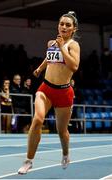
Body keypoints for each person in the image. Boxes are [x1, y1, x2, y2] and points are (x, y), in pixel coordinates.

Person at [18, 11, 80, 174]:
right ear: (58, 25)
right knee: (37, 120)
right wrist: (40, 68)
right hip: (46, 89)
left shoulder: (73, 45)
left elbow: (74, 66)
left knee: (62, 131)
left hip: (64, 92)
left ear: (74, 29)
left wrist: (62, 47)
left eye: (68, 25)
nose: (64, 27)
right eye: (61, 24)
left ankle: (66, 154)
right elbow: (49, 58)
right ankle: (29, 160)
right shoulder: (52, 42)